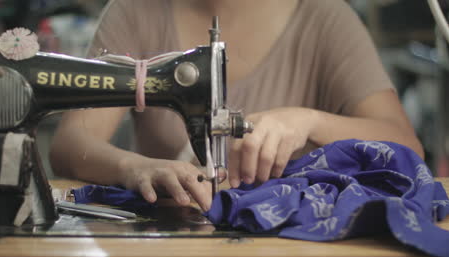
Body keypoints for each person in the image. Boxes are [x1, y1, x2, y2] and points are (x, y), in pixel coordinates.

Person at [49, 0, 424, 212]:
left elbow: (407, 146)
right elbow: (70, 145)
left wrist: (308, 122)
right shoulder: (134, 11)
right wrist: (134, 167)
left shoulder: (324, 17)